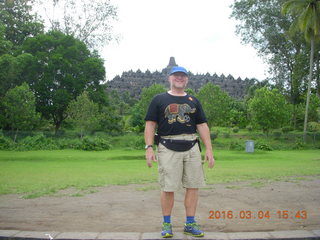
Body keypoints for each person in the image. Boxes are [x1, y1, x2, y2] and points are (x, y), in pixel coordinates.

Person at [144, 66, 215, 238]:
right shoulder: (159, 99)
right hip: (168, 146)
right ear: (169, 78)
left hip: (191, 146)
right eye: (176, 76)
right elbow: (150, 124)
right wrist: (149, 148)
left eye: (183, 76)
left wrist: (209, 150)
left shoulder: (193, 100)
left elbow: (202, 125)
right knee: (168, 187)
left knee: (193, 185)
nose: (180, 78)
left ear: (187, 80)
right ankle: (167, 224)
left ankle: (190, 223)